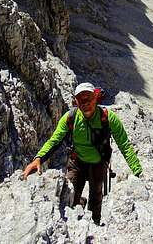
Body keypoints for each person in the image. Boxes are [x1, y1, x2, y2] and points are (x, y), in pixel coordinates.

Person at [23, 82, 142, 224]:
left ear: (96, 98)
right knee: (70, 194)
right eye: (81, 99)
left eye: (89, 98)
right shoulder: (70, 118)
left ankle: (95, 222)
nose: (85, 103)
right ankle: (76, 212)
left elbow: (124, 144)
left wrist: (137, 171)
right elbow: (55, 141)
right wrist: (39, 158)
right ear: (76, 101)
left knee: (96, 197)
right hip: (77, 162)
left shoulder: (108, 118)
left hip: (98, 163)